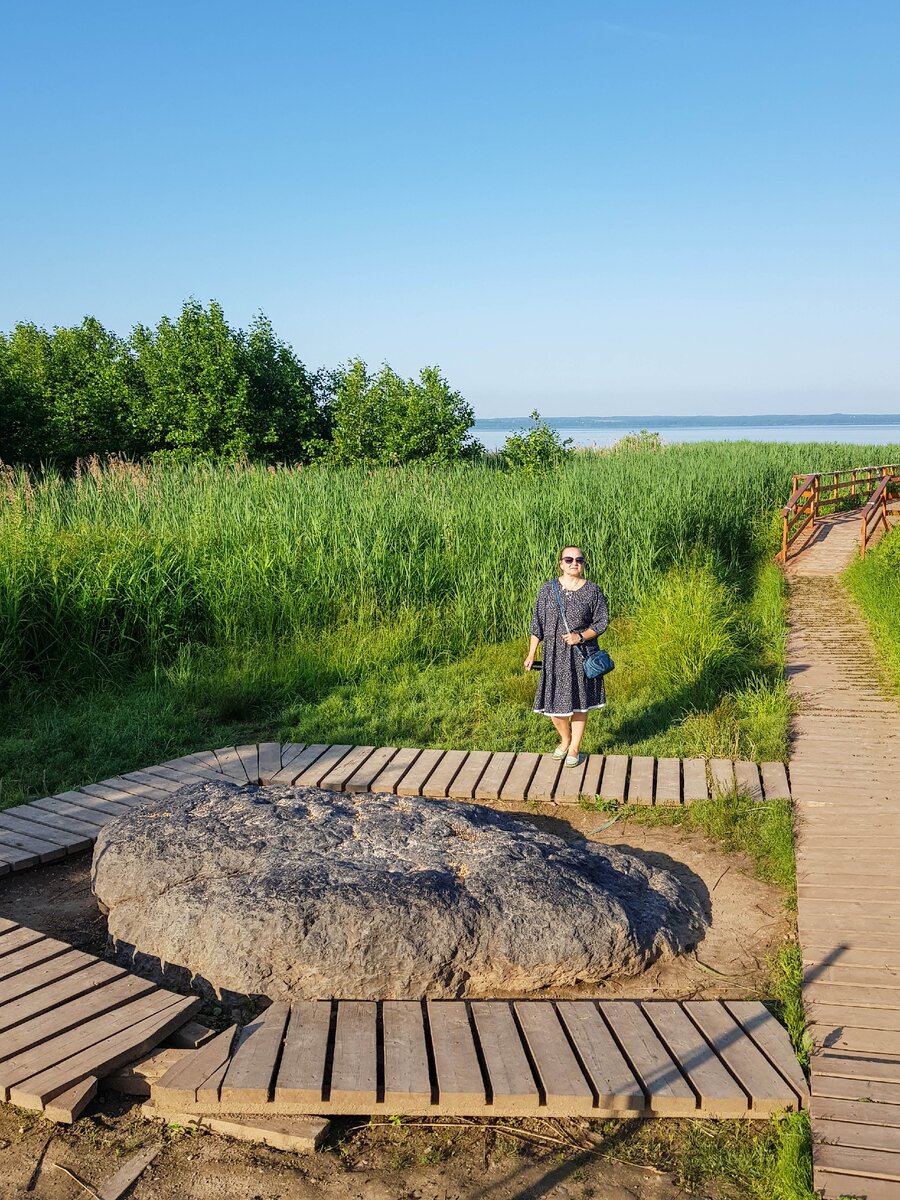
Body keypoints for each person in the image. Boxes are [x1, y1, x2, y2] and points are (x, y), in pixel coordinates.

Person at [523, 545, 609, 767]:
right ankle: (565, 739)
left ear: (583, 564)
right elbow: (537, 624)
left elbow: (601, 622)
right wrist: (532, 653)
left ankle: (574, 748)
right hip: (553, 656)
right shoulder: (547, 590)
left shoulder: (593, 591)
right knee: (554, 707)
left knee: (580, 704)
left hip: (581, 654)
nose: (574, 563)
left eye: (579, 560)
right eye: (569, 559)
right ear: (560, 563)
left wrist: (580, 637)